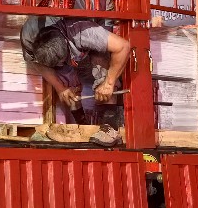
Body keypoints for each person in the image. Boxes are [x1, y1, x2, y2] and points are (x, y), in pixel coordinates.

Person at [22, 17, 130, 147]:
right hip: (58, 43)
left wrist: (109, 83)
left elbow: (123, 47)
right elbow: (36, 63)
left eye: (63, 60)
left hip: (94, 21)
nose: (64, 64)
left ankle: (110, 126)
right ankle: (82, 124)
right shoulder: (28, 38)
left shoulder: (82, 31)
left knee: (101, 61)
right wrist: (60, 87)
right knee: (67, 86)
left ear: (66, 42)